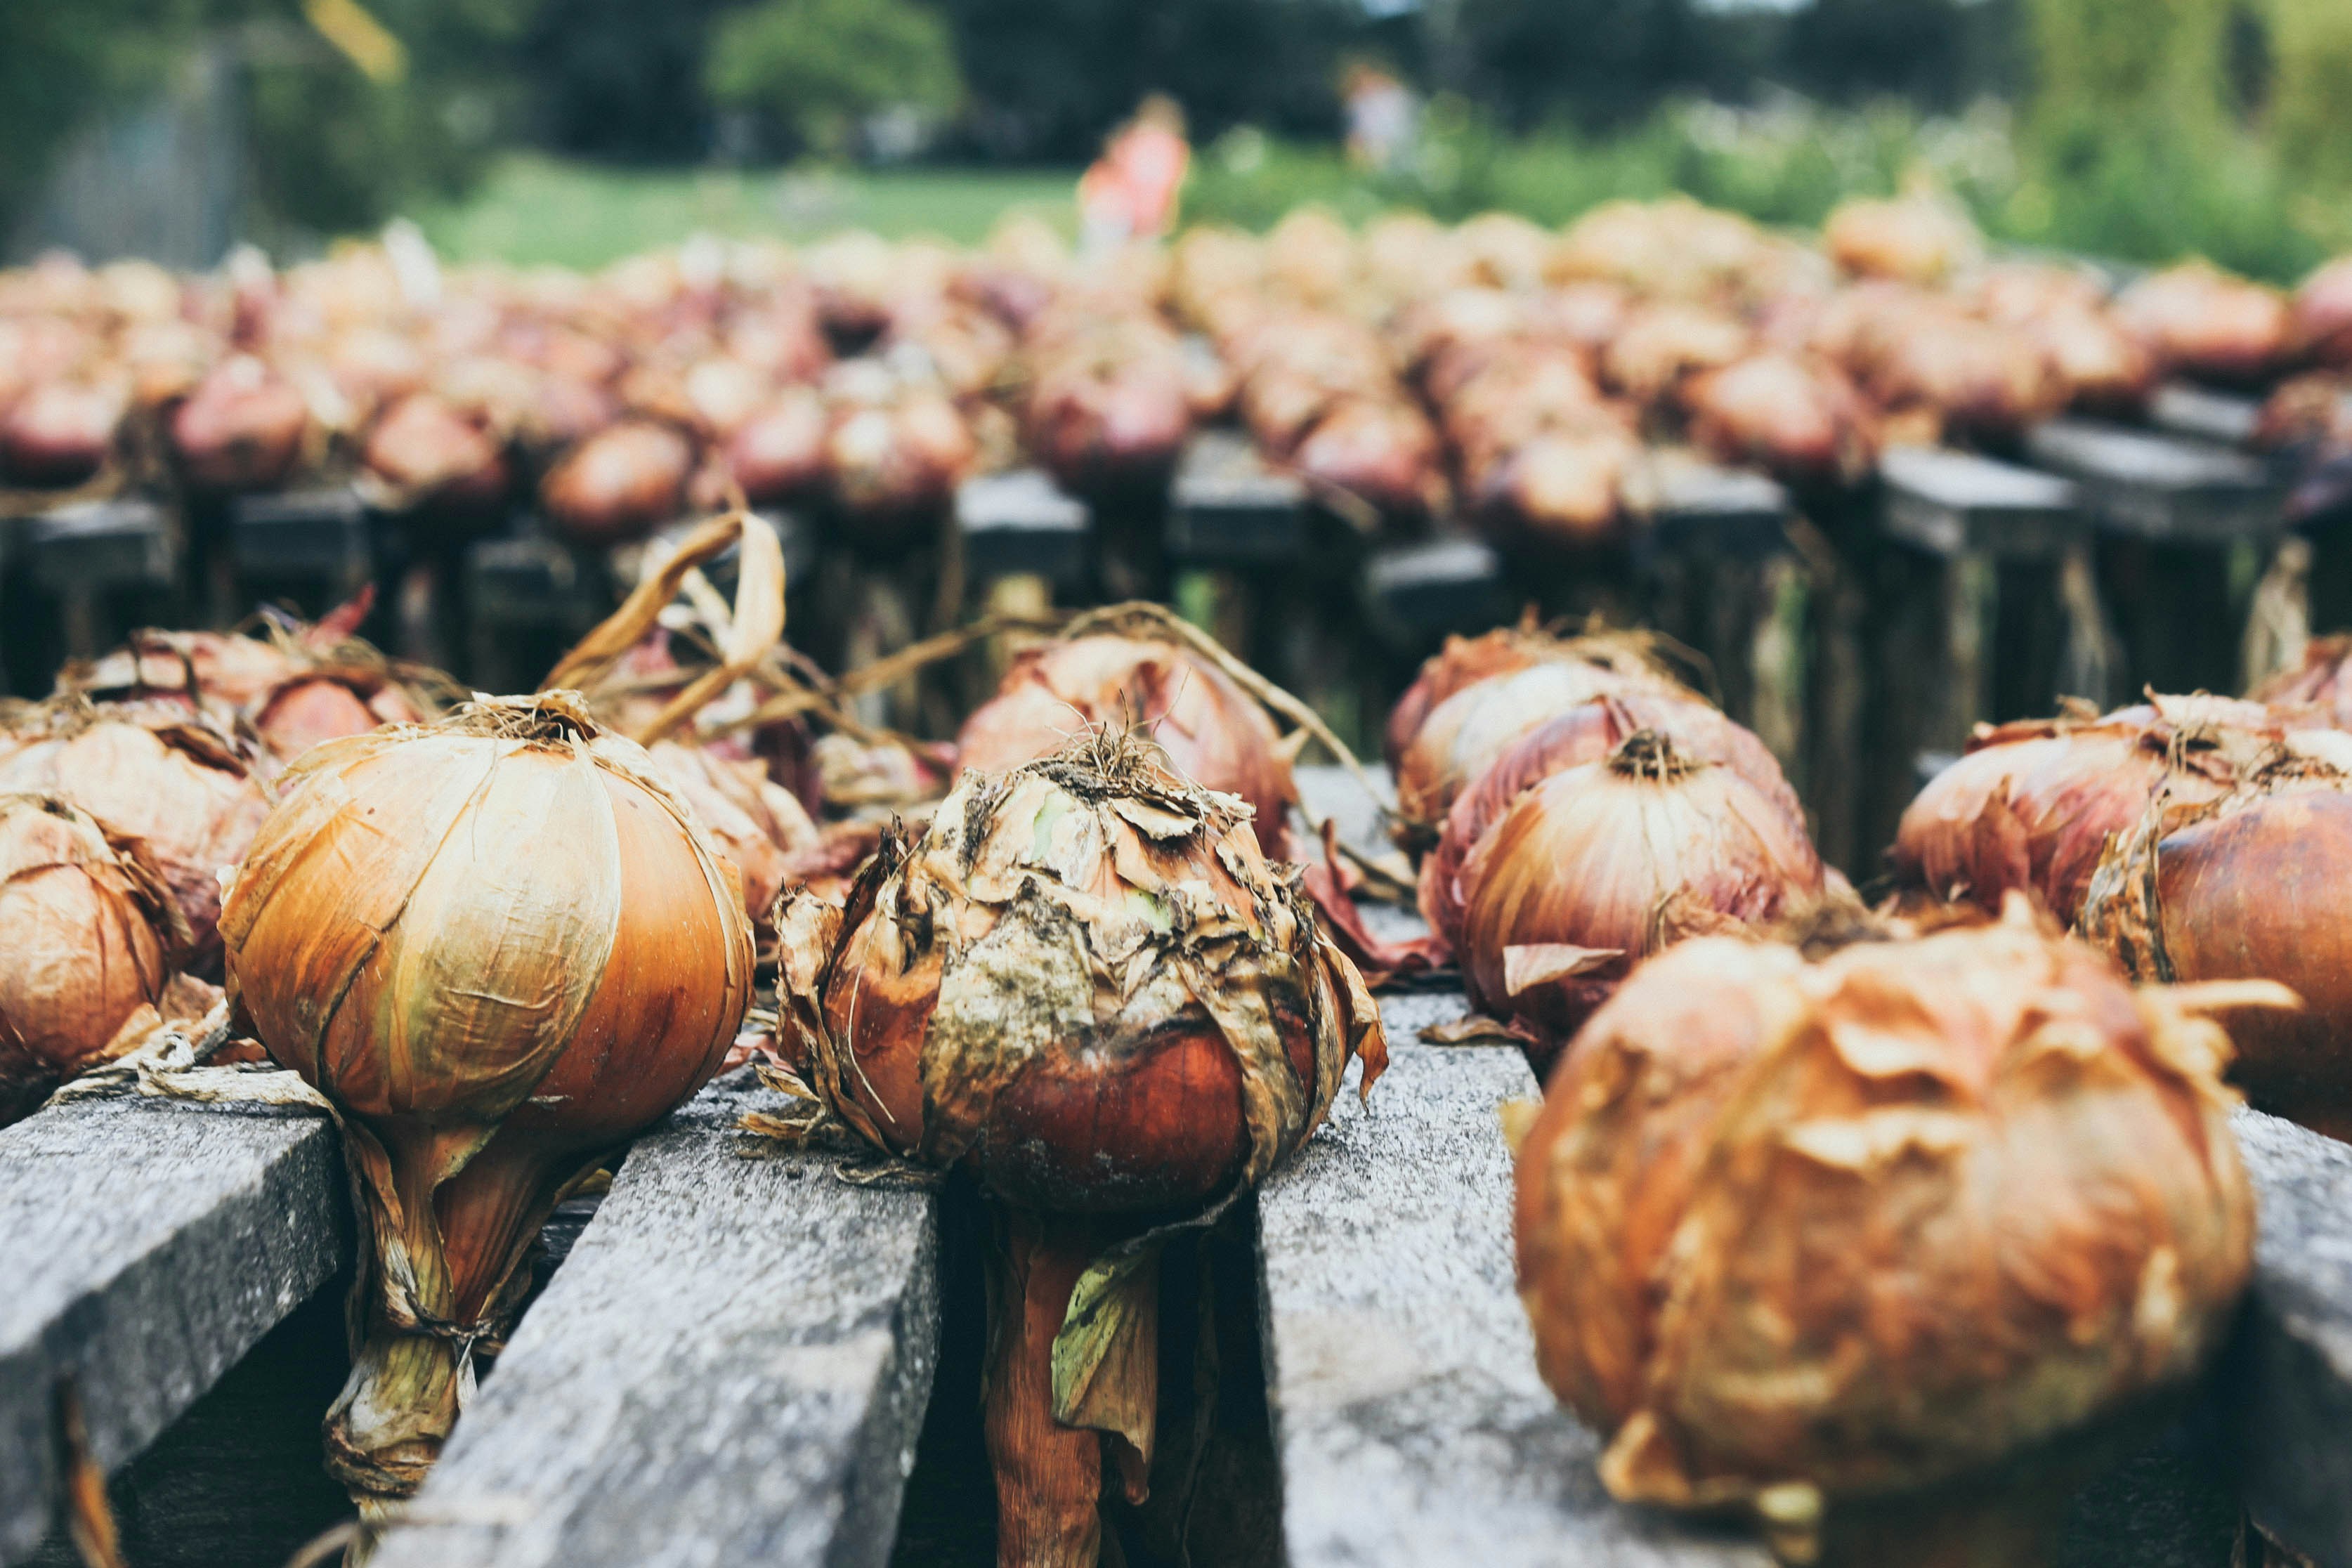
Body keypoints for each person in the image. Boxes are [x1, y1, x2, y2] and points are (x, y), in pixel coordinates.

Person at [1078, 95, 1192, 255]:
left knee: (1105, 259)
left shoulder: (1137, 143)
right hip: (1141, 214)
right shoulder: (1175, 149)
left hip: (1122, 210)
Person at [1344, 61, 1416, 174]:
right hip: (1374, 147)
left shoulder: (1399, 97)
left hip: (1399, 144)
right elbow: (1356, 133)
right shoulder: (1357, 103)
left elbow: (1408, 127)